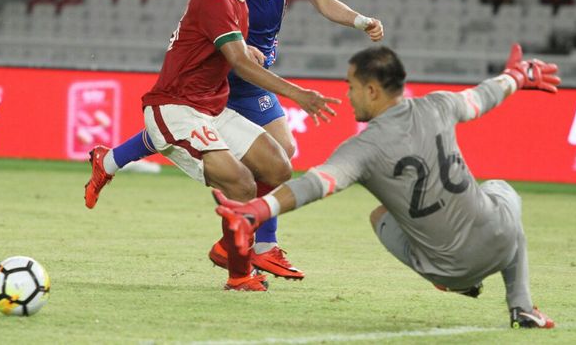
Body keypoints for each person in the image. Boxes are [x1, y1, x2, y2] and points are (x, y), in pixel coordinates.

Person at [84, 0, 384, 280]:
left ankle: (113, 160)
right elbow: (205, 2)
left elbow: (323, 0)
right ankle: (258, 246)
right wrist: (221, 46)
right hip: (234, 64)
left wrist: (360, 21)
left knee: (274, 156)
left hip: (251, 67)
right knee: (247, 146)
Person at [213, 43, 558, 328]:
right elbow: (484, 95)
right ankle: (523, 305)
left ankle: (453, 278)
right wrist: (518, 74)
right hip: (502, 244)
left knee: (380, 215)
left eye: (351, 87)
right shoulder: (440, 104)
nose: (348, 96)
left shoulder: (362, 149)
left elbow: (315, 184)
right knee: (501, 191)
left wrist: (258, 210)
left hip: (448, 270)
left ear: (372, 90)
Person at [127, 0, 339, 291]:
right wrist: (298, 94)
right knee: (241, 182)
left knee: (277, 166)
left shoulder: (239, 3)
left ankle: (231, 245)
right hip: (176, 108)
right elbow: (238, 62)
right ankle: (240, 274)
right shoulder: (213, 0)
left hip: (210, 107)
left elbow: (237, 55)